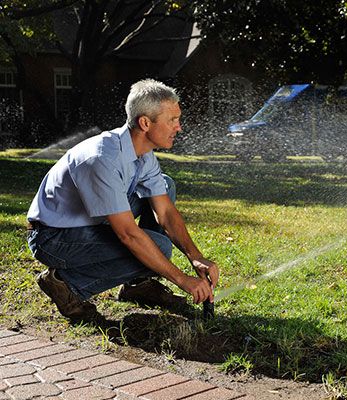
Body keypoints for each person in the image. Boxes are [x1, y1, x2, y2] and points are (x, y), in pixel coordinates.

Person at [26, 79, 219, 321]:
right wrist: (182, 279)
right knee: (158, 247)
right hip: (54, 237)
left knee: (165, 186)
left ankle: (138, 284)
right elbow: (128, 234)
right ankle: (66, 285)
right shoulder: (102, 159)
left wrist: (195, 256)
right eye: (172, 120)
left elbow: (166, 213)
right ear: (145, 123)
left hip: (89, 223)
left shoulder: (143, 154)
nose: (179, 127)